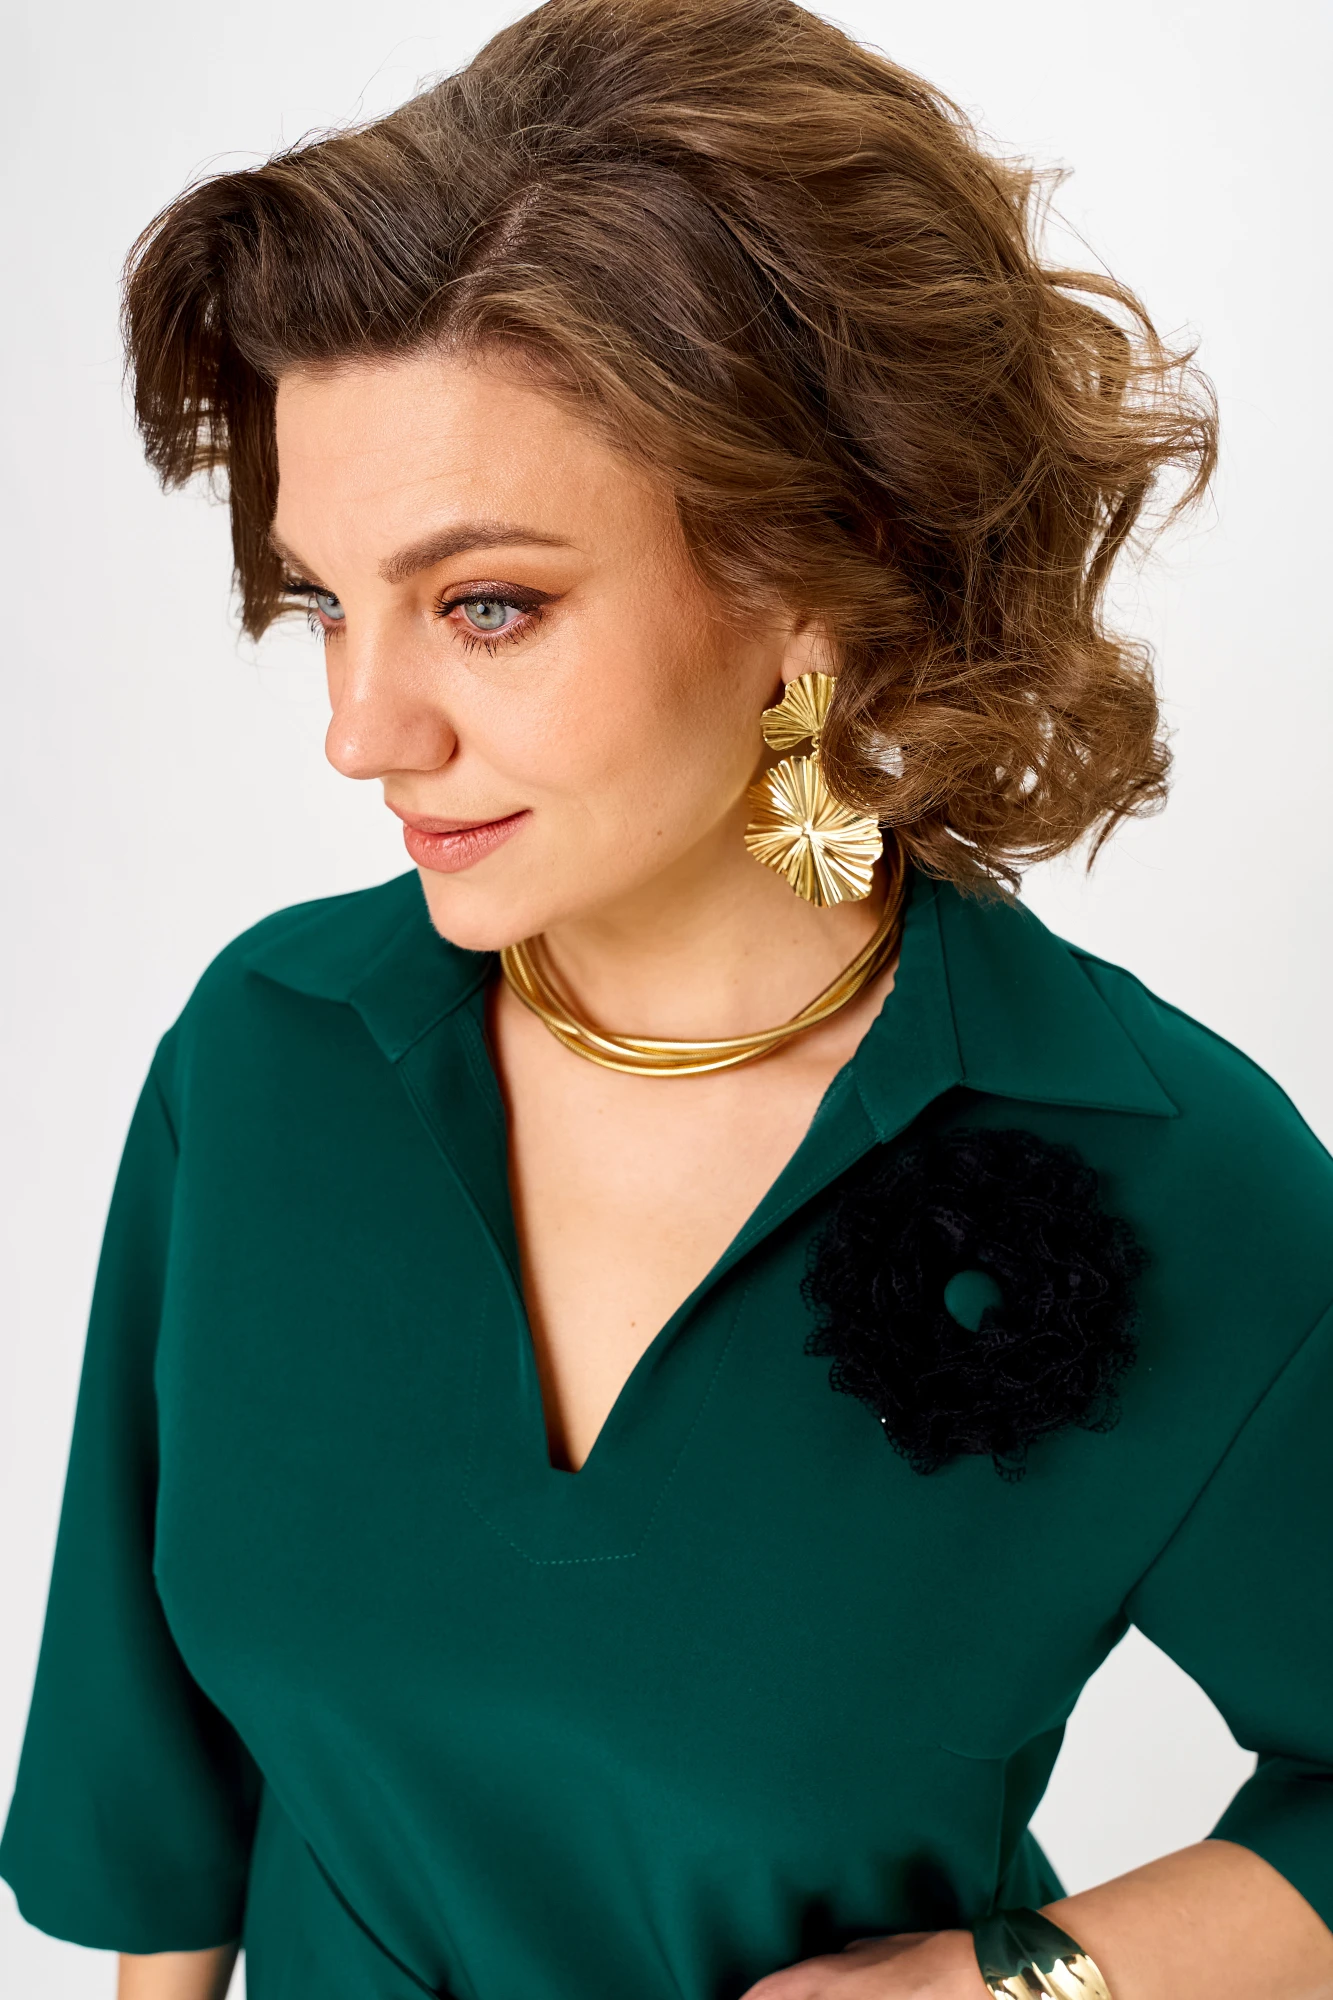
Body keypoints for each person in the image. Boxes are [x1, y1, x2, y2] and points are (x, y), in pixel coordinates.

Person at [4, 1, 1332, 1997]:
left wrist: (1017, 1985)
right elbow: (159, 1807)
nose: (364, 728)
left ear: (820, 569)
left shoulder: (1158, 1164)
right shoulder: (271, 1055)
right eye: (326, 604)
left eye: (487, 606)